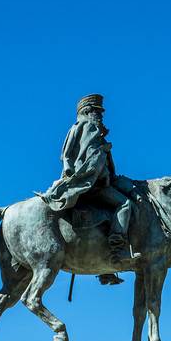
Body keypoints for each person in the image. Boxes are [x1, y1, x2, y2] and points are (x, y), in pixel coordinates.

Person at [39, 94, 137, 270]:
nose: (100, 116)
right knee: (125, 204)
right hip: (92, 184)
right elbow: (66, 155)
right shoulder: (83, 127)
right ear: (88, 112)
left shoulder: (95, 134)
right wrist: (70, 169)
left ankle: (106, 268)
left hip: (100, 181)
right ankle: (117, 251)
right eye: (97, 113)